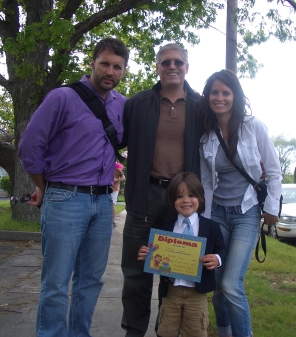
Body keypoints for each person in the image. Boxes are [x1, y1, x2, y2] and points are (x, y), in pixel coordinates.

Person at [18, 37, 129, 337]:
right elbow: (29, 147)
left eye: (117, 67)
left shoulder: (122, 105)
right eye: (104, 63)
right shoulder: (62, 97)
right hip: (65, 198)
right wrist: (45, 186)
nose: (110, 71)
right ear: (91, 63)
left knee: (91, 281)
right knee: (56, 282)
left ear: (123, 71)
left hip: (104, 203)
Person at [120, 43, 203, 337]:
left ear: (186, 68)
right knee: (136, 269)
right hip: (144, 196)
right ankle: (134, 329)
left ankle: (164, 330)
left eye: (178, 62)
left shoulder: (200, 106)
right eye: (166, 62)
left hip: (179, 201)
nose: (172, 67)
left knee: (171, 270)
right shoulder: (137, 104)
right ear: (157, 67)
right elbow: (114, 139)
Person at [199, 69, 282, 337]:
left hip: (246, 213)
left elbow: (274, 169)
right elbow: (207, 183)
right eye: (215, 92)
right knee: (219, 283)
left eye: (225, 92)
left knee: (232, 284)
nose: (220, 98)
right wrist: (207, 220)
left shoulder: (252, 126)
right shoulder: (206, 135)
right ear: (208, 96)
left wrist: (271, 208)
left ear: (235, 96)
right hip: (218, 214)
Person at [137, 172, 227, 337]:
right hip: (171, 292)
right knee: (166, 331)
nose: (186, 200)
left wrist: (217, 259)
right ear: (172, 201)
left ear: (200, 198)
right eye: (179, 196)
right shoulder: (164, 228)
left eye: (191, 195)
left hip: (197, 294)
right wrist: (147, 254)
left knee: (195, 332)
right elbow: (156, 253)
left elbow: (222, 250)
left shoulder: (211, 227)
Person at [112, 162, 126, 227]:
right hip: (106, 188)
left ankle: (113, 221)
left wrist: (117, 180)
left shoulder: (117, 167)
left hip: (114, 189)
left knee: (112, 205)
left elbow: (123, 178)